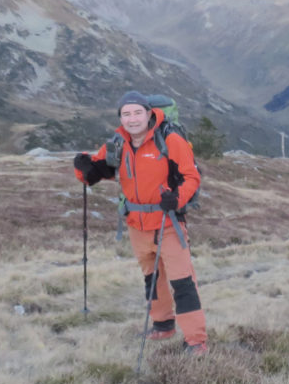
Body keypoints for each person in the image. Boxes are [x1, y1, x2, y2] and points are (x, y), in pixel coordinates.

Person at [73, 91, 209, 356]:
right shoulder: (117, 143)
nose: (132, 119)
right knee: (152, 277)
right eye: (126, 114)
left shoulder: (169, 139)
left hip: (168, 221)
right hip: (136, 224)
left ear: (148, 114)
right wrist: (82, 166)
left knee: (182, 282)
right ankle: (163, 324)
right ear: (120, 118)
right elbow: (96, 172)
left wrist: (177, 199)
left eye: (137, 113)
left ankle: (196, 340)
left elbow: (191, 176)